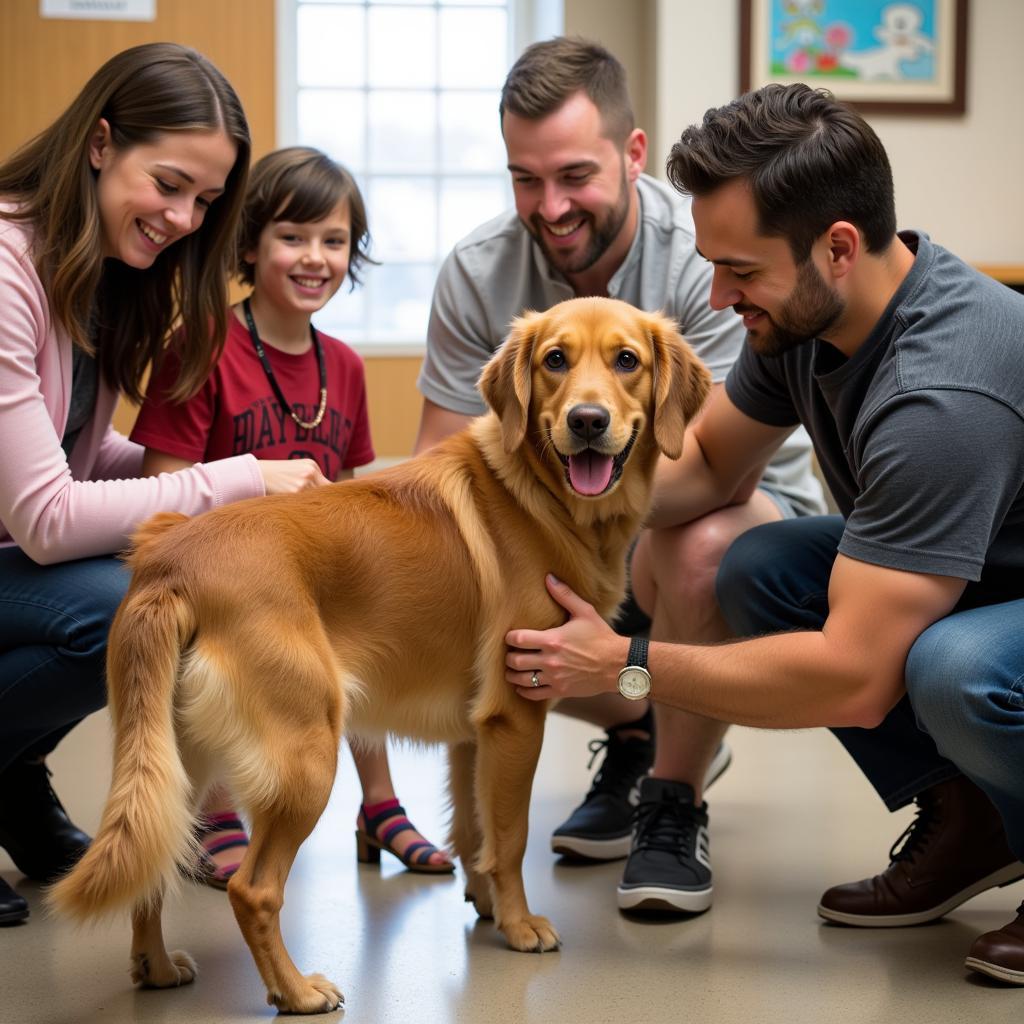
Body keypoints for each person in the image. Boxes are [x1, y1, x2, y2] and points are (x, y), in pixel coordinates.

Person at [503, 82, 1024, 984]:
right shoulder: (812, 316)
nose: (717, 292)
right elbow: (704, 465)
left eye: (739, 269)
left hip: (999, 605)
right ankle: (972, 822)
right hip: (986, 566)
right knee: (762, 567)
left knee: (956, 673)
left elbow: (855, 680)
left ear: (837, 247)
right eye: (713, 263)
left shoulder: (940, 393)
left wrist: (623, 659)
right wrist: (535, 489)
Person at [414, 36, 825, 911]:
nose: (550, 206)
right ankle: (647, 727)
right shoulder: (478, 272)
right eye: (525, 179)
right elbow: (438, 469)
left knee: (696, 548)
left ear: (633, 155)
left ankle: (672, 799)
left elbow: (709, 466)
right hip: (573, 527)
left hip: (735, 519)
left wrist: (541, 502)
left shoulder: (701, 267)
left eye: (573, 175)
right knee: (469, 594)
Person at [0, 43, 330, 928]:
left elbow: (67, 448)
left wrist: (176, 476)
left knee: (154, 591)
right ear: (101, 143)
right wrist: (236, 479)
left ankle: (13, 778)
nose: (186, 218)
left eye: (208, 202)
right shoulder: (5, 267)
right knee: (122, 608)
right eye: (171, 184)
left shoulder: (95, 270)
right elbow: (44, 518)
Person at [130, 146, 453, 883]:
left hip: (309, 579)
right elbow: (161, 491)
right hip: (225, 582)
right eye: (293, 237)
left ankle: (378, 805)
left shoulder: (345, 365)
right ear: (249, 245)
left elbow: (345, 492)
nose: (316, 258)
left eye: (334, 241)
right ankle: (213, 806)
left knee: (368, 609)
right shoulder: (202, 344)